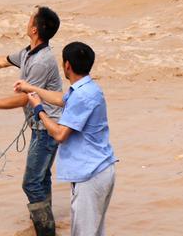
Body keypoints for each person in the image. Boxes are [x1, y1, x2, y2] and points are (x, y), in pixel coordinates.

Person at [0, 6, 62, 236]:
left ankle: (46, 231)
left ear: (34, 29)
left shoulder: (41, 61)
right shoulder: (29, 52)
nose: (27, 21)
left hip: (47, 128)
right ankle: (45, 225)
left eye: (30, 19)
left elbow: (24, 99)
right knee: (41, 178)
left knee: (31, 183)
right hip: (41, 126)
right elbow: (3, 61)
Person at [14, 42, 117, 236]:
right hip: (101, 169)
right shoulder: (89, 88)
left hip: (90, 175)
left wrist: (39, 109)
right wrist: (30, 87)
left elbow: (60, 134)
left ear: (67, 65)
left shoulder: (82, 96)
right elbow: (60, 99)